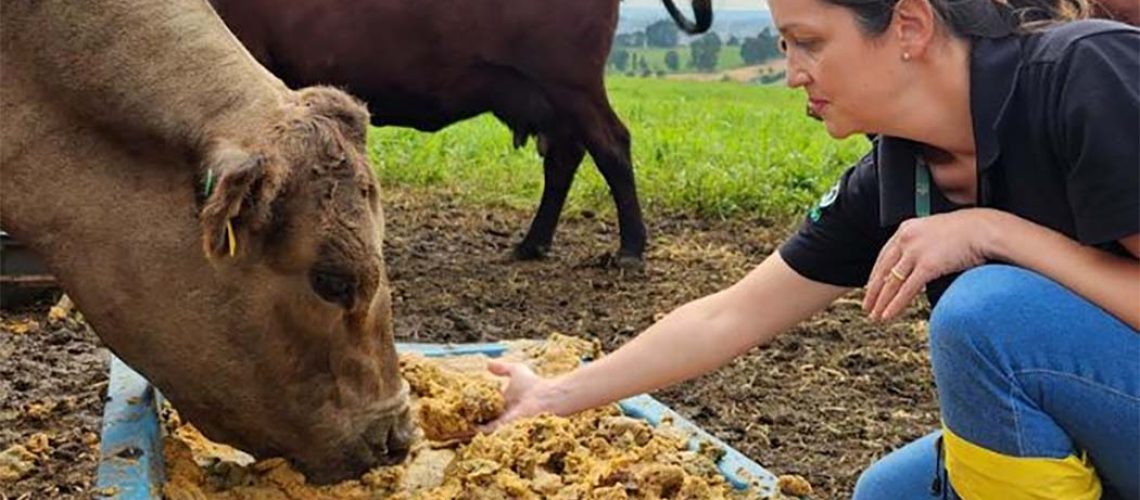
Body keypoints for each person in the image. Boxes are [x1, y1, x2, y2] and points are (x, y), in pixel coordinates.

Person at [482, 0, 1139, 498]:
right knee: (885, 492)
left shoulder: (1084, 75)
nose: (792, 73)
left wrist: (996, 233)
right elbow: (730, 315)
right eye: (783, 45)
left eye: (809, 43)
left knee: (986, 314)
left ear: (908, 27)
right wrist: (552, 397)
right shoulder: (896, 173)